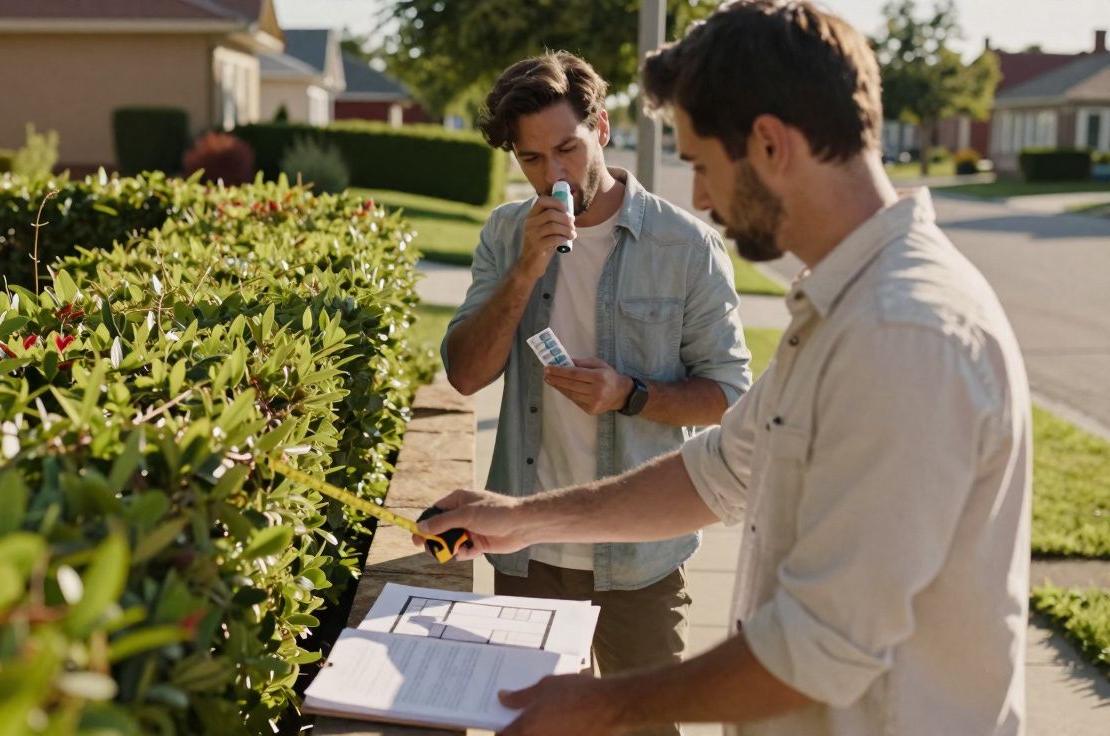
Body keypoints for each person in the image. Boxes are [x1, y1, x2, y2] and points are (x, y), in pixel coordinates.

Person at [420, 2, 1031, 735]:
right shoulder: (845, 307)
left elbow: (820, 646)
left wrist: (605, 704)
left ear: (769, 145)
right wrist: (522, 517)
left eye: (702, 165)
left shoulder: (903, 335)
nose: (701, 198)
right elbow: (715, 475)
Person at [440, 49, 752, 716]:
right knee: (532, 724)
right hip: (527, 554)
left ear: (602, 130)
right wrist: (524, 269)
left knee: (647, 729)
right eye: (530, 160)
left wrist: (631, 393)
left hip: (641, 560)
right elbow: (466, 374)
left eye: (567, 150)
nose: (551, 174)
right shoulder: (505, 234)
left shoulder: (685, 247)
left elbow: (730, 397)